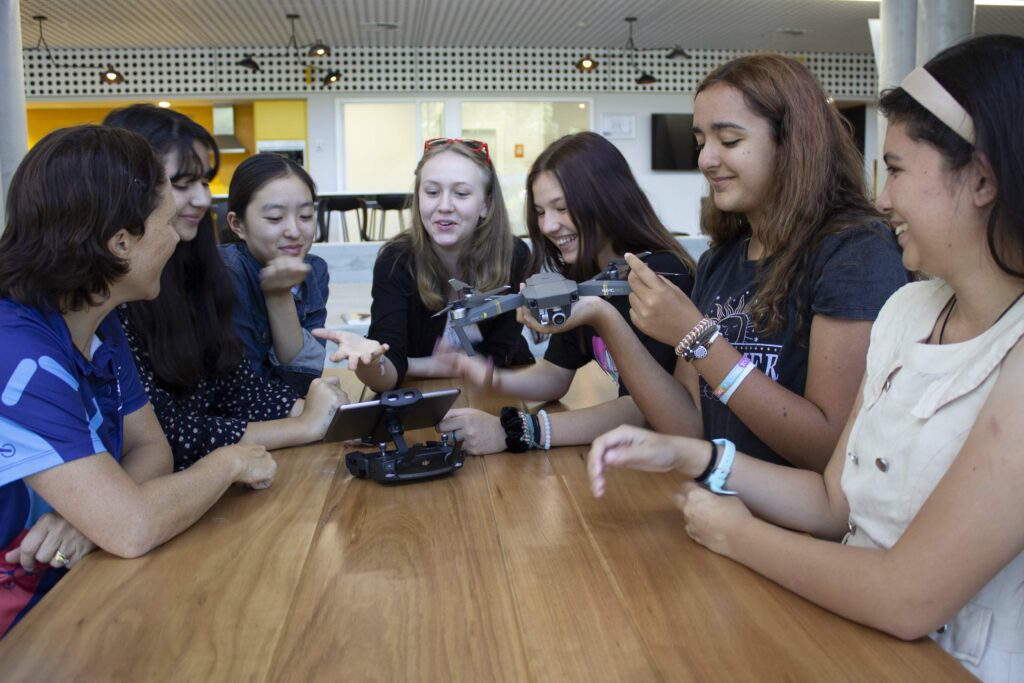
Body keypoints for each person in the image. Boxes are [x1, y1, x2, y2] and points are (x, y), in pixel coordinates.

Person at [588, 35, 1024, 680]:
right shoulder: (910, 314)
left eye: (898, 169)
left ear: (983, 179)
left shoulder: (864, 259)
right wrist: (697, 457)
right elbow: (832, 500)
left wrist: (737, 532)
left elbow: (907, 596)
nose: (883, 200)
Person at [526, 56, 908, 471]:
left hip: (790, 529)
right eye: (700, 142)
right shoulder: (720, 259)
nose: (706, 159)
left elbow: (829, 449)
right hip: (714, 508)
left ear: (793, 144)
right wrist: (603, 317)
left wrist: (697, 335)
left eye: (727, 140)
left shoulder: (854, 250)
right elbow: (688, 426)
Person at [0, 125, 276, 636]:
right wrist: (229, 461)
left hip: (74, 590)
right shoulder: (17, 355)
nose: (178, 236)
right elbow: (132, 528)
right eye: (168, 221)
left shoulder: (95, 318)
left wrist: (89, 509)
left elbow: (152, 447)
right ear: (121, 243)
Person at [104, 105, 347, 471]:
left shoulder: (198, 273)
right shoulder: (117, 295)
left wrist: (328, 413)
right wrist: (304, 423)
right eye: (181, 184)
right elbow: (169, 435)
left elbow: (237, 386)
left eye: (203, 182)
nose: (202, 199)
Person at [436, 132, 696, 454]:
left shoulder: (657, 277)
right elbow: (555, 374)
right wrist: (490, 377)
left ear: (607, 198)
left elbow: (641, 410)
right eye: (541, 212)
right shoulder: (585, 274)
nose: (547, 226)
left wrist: (516, 431)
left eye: (561, 208)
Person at [313, 138, 534, 391]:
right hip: (419, 399)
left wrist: (417, 365)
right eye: (432, 192)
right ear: (418, 199)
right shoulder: (395, 261)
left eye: (461, 193)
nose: (444, 206)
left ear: (486, 204)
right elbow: (387, 367)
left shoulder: (514, 255)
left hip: (501, 390)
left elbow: (498, 357)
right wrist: (371, 362)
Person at [222, 153, 330, 395]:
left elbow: (303, 378)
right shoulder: (228, 274)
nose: (294, 231)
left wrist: (279, 294)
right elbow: (243, 393)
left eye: (305, 216)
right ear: (237, 224)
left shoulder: (314, 271)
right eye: (275, 218)